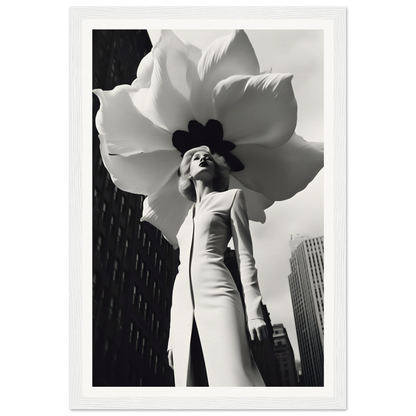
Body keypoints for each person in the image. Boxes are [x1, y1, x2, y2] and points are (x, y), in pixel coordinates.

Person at [166, 145, 268, 386]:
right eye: (196, 158)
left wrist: (254, 312)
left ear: (216, 171)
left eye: (208, 159)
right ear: (188, 172)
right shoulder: (184, 220)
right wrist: (173, 334)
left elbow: (245, 256)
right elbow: (181, 272)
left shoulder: (231, 198)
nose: (203, 159)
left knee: (235, 376)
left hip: (219, 294)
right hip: (182, 306)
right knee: (191, 384)